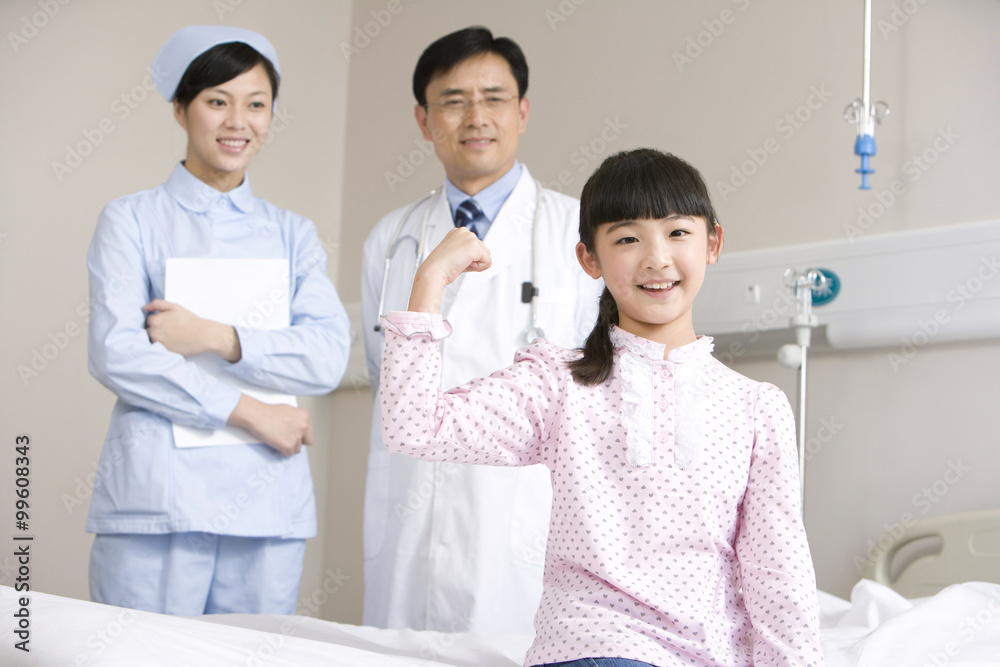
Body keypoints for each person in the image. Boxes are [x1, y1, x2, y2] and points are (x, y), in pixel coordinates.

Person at [378, 148, 824, 666]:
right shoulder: (557, 385)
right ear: (589, 259)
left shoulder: (756, 409)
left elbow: (777, 570)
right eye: (628, 239)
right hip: (593, 648)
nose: (657, 258)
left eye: (678, 233)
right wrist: (429, 282)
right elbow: (413, 428)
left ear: (713, 243)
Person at [85, 26, 351, 615]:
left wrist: (215, 336)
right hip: (158, 499)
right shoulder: (131, 220)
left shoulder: (292, 234)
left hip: (266, 500)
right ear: (180, 108)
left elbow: (328, 356)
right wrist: (254, 413)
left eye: (256, 104)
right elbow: (118, 352)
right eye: (217, 101)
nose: (239, 122)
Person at [361, 26, 602, 634]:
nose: (476, 116)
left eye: (494, 97)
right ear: (423, 119)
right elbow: (380, 370)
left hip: (524, 509)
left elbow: (599, 382)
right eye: (453, 99)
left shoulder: (580, 230)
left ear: (521, 111)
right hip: (411, 508)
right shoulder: (390, 240)